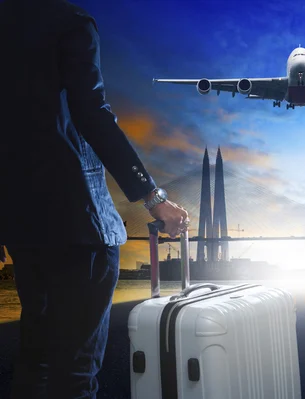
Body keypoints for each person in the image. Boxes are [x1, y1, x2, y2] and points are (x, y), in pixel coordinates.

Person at [0, 0, 189, 397]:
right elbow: (92, 113)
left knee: (34, 363)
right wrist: (153, 197)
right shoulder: (70, 21)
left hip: (21, 225)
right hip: (79, 221)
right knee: (76, 373)